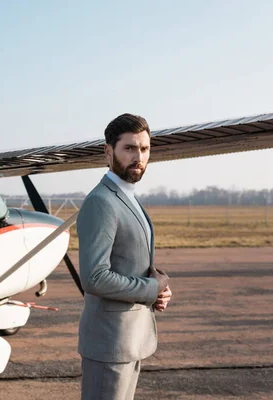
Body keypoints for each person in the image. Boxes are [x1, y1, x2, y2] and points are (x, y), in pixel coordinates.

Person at [77, 113, 172, 400]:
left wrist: (156, 292)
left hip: (130, 339)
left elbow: (129, 261)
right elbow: (94, 277)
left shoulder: (128, 197)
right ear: (108, 151)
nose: (138, 157)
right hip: (110, 344)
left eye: (144, 149)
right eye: (129, 148)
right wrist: (150, 288)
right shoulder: (101, 202)